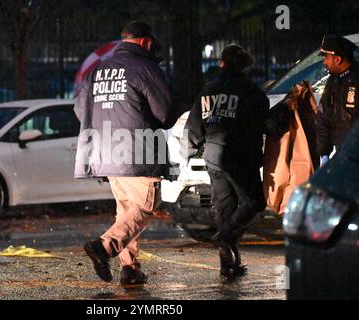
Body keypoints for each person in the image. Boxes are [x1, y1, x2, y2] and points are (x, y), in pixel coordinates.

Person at [74, 21, 178, 285]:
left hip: (105, 152)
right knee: (146, 204)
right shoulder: (145, 68)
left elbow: (79, 109)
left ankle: (129, 269)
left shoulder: (97, 71)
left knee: (126, 211)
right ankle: (104, 247)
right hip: (137, 152)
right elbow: (165, 114)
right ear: (145, 41)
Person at [184, 44, 288, 278]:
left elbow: (194, 126)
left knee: (225, 206)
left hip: (213, 155)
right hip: (239, 155)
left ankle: (228, 264)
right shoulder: (250, 91)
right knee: (253, 202)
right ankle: (225, 236)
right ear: (243, 65)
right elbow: (266, 123)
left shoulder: (208, 90)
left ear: (221, 63)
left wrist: (191, 151)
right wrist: (285, 112)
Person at [317, 35, 359, 166]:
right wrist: (324, 153)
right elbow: (324, 117)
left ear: (338, 59)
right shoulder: (333, 81)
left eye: (326, 58)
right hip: (343, 157)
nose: (324, 62)